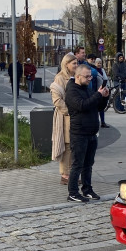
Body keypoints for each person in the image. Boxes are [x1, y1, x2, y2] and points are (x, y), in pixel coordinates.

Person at [64, 63, 109, 203]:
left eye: (91, 76)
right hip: (79, 133)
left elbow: (97, 106)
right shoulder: (72, 90)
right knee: (78, 164)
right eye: (87, 76)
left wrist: (104, 97)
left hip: (91, 133)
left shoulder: (87, 88)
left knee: (88, 164)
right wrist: (97, 95)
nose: (90, 78)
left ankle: (87, 189)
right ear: (78, 76)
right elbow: (82, 105)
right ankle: (72, 192)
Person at [50, 53, 77, 185]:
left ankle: (71, 173)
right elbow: (57, 99)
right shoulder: (60, 78)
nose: (76, 65)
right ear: (67, 64)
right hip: (64, 117)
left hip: (74, 116)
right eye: (74, 63)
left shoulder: (75, 77)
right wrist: (69, 111)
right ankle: (65, 175)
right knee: (66, 146)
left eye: (77, 63)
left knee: (72, 146)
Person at [93, 57, 111, 129]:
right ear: (95, 63)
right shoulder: (94, 71)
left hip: (104, 91)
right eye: (98, 63)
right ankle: (96, 122)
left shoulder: (103, 70)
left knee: (102, 108)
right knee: (97, 108)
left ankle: (103, 122)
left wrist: (108, 87)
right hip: (98, 91)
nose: (99, 64)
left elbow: (106, 78)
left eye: (100, 63)